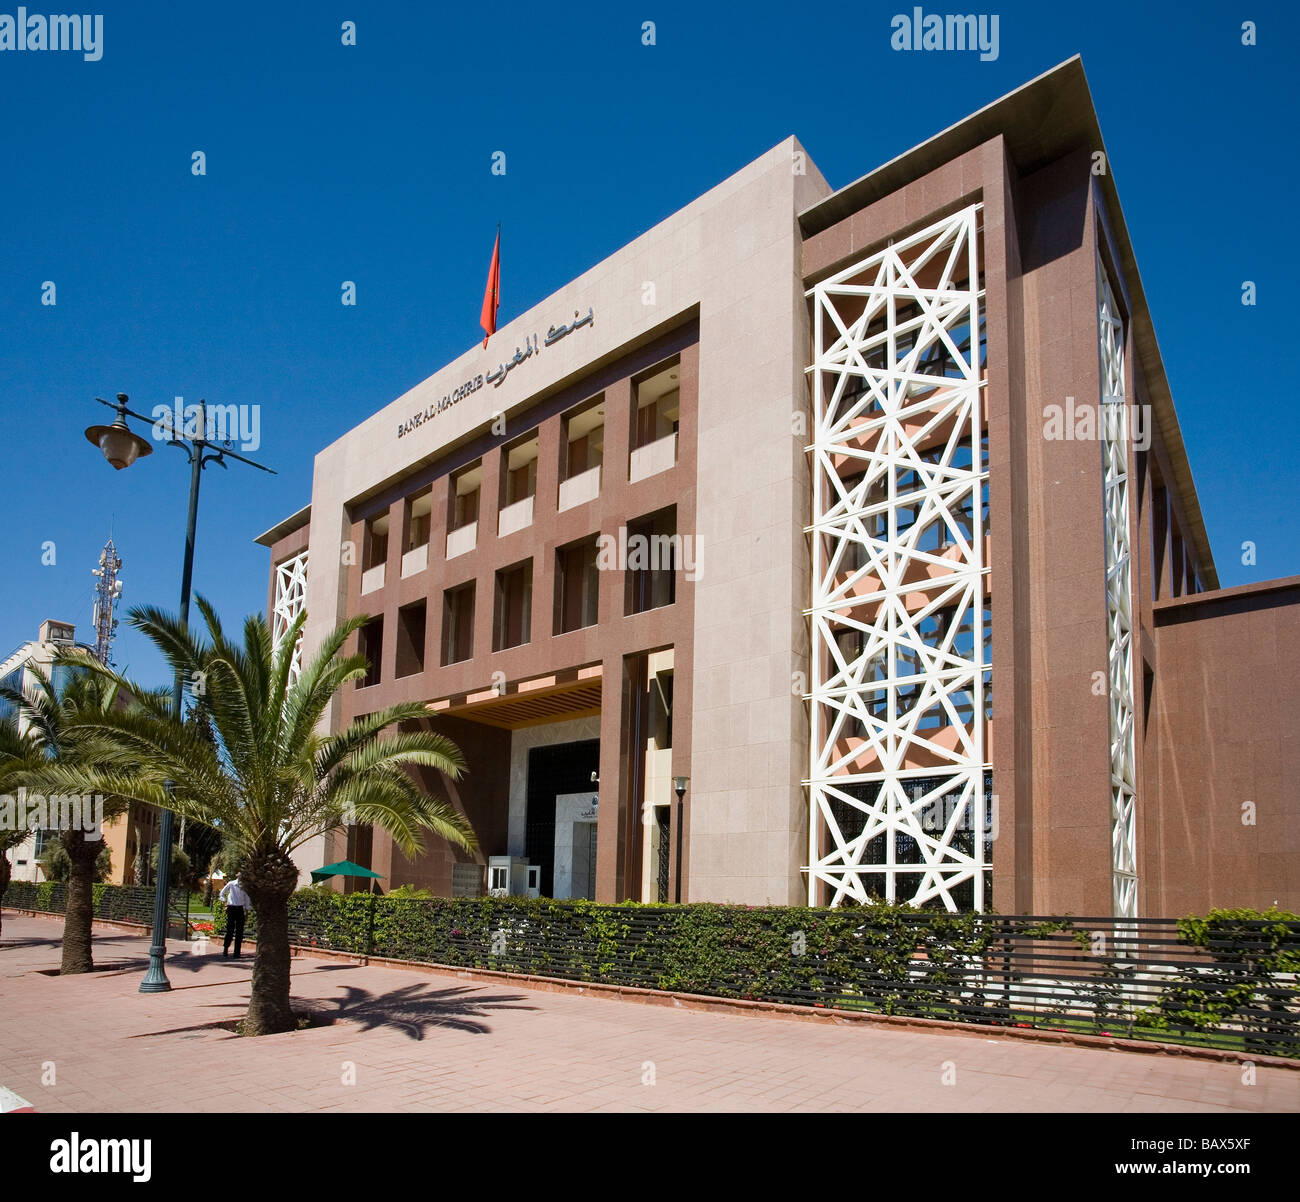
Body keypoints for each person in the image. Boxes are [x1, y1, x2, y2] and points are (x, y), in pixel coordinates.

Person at [219, 875, 250, 958]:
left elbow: (247, 899)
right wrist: (224, 901)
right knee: (230, 929)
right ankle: (225, 948)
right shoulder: (231, 884)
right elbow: (222, 893)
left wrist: (246, 911)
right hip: (231, 908)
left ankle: (237, 952)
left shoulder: (245, 886)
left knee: (239, 931)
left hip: (240, 909)